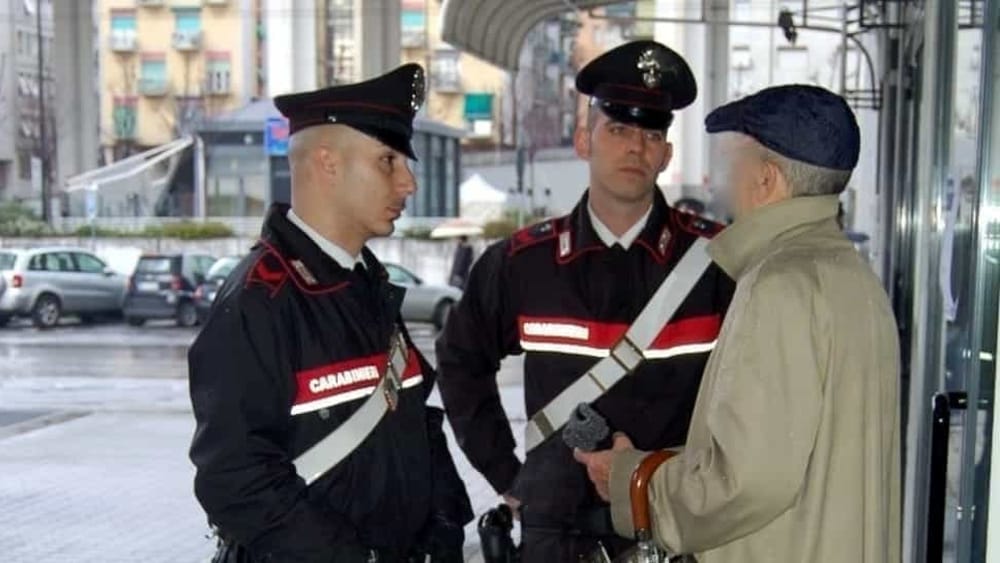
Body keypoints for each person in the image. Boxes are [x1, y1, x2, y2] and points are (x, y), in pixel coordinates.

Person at [435, 40, 735, 561]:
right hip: (557, 534)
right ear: (583, 141)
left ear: (666, 154)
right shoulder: (523, 264)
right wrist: (508, 476)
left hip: (674, 527)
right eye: (618, 129)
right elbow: (460, 361)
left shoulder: (717, 262)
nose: (635, 148)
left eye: (650, 133)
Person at [575, 84, 901, 562]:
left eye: (733, 165)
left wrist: (633, 481)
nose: (722, 183)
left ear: (767, 179)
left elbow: (746, 480)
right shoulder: (851, 276)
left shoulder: (779, 284)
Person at [188, 64, 473, 563]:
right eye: (388, 161)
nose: (408, 183)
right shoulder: (261, 299)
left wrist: (445, 530)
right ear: (327, 163)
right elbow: (234, 477)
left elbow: (416, 422)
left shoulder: (367, 283)